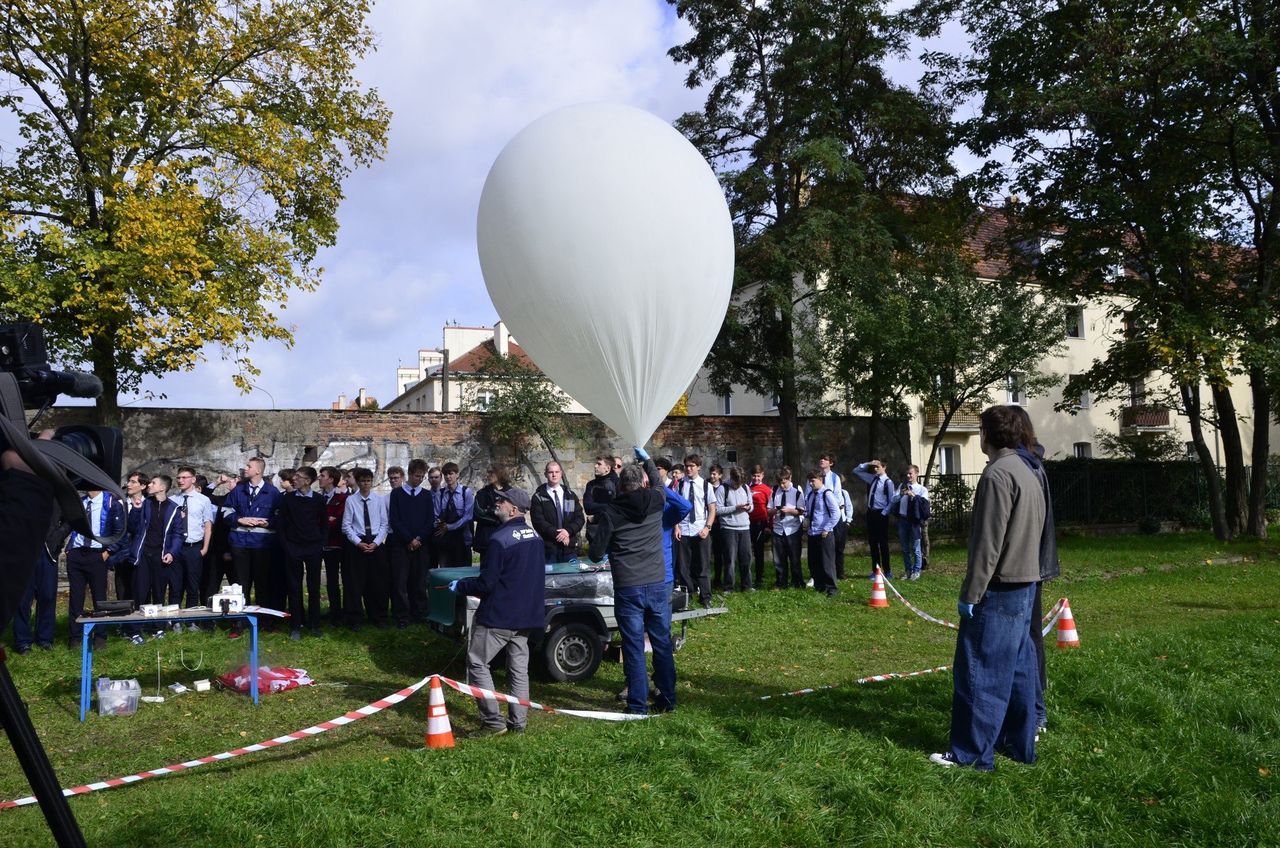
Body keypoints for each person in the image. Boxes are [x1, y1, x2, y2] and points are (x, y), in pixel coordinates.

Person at [931, 406, 1043, 771]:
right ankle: (1017, 744)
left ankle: (971, 753)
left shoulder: (998, 474)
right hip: (1026, 583)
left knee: (979, 670)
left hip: (999, 587)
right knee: (1019, 669)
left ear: (988, 435)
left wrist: (970, 593)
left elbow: (987, 544)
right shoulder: (1031, 470)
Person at [450, 487, 544, 735]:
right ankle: (519, 724)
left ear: (513, 509)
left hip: (499, 616)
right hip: (526, 617)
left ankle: (492, 722)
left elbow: (486, 584)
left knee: (477, 663)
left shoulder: (499, 540)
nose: (497, 503)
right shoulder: (535, 537)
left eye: (502, 501)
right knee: (519, 670)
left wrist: (460, 585)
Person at [599, 449, 676, 715]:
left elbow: (597, 552)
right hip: (656, 582)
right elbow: (658, 483)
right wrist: (647, 459)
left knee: (633, 646)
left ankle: (637, 705)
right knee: (661, 642)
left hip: (628, 585)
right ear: (642, 482)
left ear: (620, 485)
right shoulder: (655, 500)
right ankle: (667, 699)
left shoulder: (610, 512)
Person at [1008, 405, 1060, 736]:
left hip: (1029, 566)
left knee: (1027, 638)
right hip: (1029, 564)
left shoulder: (1030, 467)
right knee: (1026, 637)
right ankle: (1028, 705)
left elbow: (1033, 522)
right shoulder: (1027, 464)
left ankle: (1036, 710)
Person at [62, 487, 127, 645]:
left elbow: (120, 532)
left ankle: (100, 637)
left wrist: (108, 552)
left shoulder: (111, 503)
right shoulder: (81, 503)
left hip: (97, 555)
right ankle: (75, 638)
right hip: (77, 554)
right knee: (76, 598)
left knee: (100, 598)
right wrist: (69, 550)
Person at [222, 457, 282, 611]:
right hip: (239, 543)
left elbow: (281, 516)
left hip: (262, 544)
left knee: (263, 583)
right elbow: (225, 511)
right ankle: (240, 621)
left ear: (258, 471)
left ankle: (265, 620)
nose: (245, 469)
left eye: (249, 466)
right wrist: (239, 520)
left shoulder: (273, 493)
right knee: (240, 584)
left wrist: (269, 523)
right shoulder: (238, 491)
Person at [130, 476, 185, 637]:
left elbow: (178, 534)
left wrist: (171, 552)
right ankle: (135, 630)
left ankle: (157, 628)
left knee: (159, 593)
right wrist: (136, 509)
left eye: (153, 483)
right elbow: (133, 528)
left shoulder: (174, 508)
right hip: (143, 555)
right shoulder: (145, 503)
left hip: (161, 556)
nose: (150, 485)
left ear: (162, 488)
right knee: (140, 592)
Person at [277, 466, 327, 638]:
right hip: (293, 548)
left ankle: (315, 625)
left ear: (307, 481)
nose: (294, 479)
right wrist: (286, 546)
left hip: (313, 548)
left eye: (298, 477)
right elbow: (281, 524)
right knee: (294, 587)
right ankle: (296, 625)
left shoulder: (319, 500)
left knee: (314, 587)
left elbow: (324, 523)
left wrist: (320, 544)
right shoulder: (288, 499)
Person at [387, 458, 434, 627]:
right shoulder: (397, 494)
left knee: (419, 581)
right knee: (401, 582)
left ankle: (419, 613)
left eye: (422, 477)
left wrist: (419, 539)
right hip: (401, 545)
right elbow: (395, 519)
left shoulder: (426, 495)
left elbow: (430, 521)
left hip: (421, 546)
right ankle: (402, 616)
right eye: (416, 476)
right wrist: (409, 539)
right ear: (409, 474)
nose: (419, 479)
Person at [342, 467, 389, 629]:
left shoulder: (379, 500)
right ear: (358, 482)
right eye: (363, 481)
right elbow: (346, 526)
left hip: (376, 543)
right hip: (358, 543)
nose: (366, 484)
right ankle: (355, 618)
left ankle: (378, 616)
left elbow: (384, 524)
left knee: (378, 583)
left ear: (372, 482)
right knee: (355, 583)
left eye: (368, 481)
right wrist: (358, 542)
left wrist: (376, 542)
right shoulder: (351, 501)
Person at [172, 466, 215, 614]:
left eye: (184, 477)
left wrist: (205, 548)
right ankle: (174, 619)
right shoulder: (173, 499)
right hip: (176, 547)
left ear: (193, 479)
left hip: (193, 546)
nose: (180, 481)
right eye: (178, 478)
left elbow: (208, 525)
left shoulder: (203, 500)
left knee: (193, 585)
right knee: (175, 585)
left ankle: (191, 618)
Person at [675, 455, 716, 607]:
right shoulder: (680, 485)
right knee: (684, 566)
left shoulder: (706, 486)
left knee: (703, 565)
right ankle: (689, 594)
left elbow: (712, 509)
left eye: (692, 466)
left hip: (700, 529)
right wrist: (676, 526)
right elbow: (676, 508)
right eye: (686, 466)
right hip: (684, 529)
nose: (688, 468)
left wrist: (707, 527)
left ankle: (705, 597)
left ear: (699, 467)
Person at [530, 460, 585, 563]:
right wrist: (559, 535)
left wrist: (568, 531)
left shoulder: (569, 495)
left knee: (572, 578)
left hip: (569, 548)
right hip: (549, 549)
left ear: (561, 473)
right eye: (551, 472)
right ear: (546, 474)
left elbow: (579, 518)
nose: (554, 475)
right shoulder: (539, 496)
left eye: (557, 472)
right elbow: (539, 522)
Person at [885, 465, 930, 580]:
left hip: (914, 521)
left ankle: (917, 571)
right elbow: (893, 500)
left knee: (916, 547)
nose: (909, 476)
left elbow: (924, 504)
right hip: (903, 520)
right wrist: (901, 494)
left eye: (911, 473)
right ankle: (908, 570)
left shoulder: (921, 489)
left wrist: (913, 495)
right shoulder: (902, 486)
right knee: (905, 548)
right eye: (907, 474)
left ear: (916, 474)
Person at [852, 460, 895, 578]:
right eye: (874, 467)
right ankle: (876, 570)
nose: (875, 469)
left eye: (877, 467)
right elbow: (856, 471)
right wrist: (868, 463)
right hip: (871, 513)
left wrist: (884, 513)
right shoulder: (873, 479)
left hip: (881, 514)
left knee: (883, 543)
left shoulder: (888, 482)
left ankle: (887, 571)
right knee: (873, 543)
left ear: (884, 467)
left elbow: (891, 500)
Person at [317, 466, 348, 625]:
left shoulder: (342, 498)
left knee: (335, 580)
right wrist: (326, 520)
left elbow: (339, 521)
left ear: (331, 479)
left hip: (336, 545)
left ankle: (338, 613)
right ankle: (330, 611)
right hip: (320, 544)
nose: (319, 478)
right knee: (327, 581)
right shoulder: (318, 498)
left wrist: (325, 520)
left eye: (322, 475)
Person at [804, 471, 840, 596]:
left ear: (820, 480)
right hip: (812, 532)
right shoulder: (810, 495)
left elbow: (836, 513)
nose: (811, 483)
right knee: (813, 562)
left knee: (827, 563)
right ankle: (819, 587)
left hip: (824, 534)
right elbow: (809, 512)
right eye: (809, 481)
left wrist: (827, 528)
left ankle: (832, 589)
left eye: (813, 480)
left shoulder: (827, 494)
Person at [769, 467, 804, 589]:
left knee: (794, 559)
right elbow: (768, 511)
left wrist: (789, 510)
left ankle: (797, 582)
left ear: (790, 479)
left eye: (784, 482)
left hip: (792, 529)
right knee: (778, 559)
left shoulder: (797, 492)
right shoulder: (774, 491)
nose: (782, 486)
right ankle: (781, 583)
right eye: (779, 483)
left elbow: (801, 511)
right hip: (778, 529)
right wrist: (775, 510)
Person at [719, 467, 753, 592]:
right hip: (729, 528)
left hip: (745, 527)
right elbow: (717, 510)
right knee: (730, 559)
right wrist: (735, 508)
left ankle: (747, 585)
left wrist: (748, 508)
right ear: (731, 478)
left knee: (746, 558)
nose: (738, 485)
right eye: (736, 483)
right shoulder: (723, 489)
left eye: (741, 483)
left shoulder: (745, 488)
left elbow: (751, 505)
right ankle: (729, 586)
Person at [433, 462, 473, 566]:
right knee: (445, 571)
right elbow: (436, 514)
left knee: (464, 572)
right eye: (445, 474)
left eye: (451, 474)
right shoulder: (440, 493)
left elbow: (468, 516)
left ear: (457, 475)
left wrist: (450, 527)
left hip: (462, 538)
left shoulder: (466, 492)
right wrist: (438, 524)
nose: (448, 477)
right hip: (445, 539)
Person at [582, 456, 618, 555]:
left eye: (599, 464)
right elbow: (588, 507)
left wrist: (596, 515)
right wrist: (608, 506)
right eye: (596, 463)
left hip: (613, 534)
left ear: (607, 468)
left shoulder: (617, 484)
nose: (595, 466)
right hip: (595, 534)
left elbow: (618, 508)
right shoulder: (591, 485)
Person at [471, 467, 508, 559]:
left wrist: (488, 510)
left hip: (506, 538)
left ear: (499, 474)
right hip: (486, 539)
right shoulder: (482, 493)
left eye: (491, 473)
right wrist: (497, 519)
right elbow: (477, 513)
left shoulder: (510, 492)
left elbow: (511, 513)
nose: (488, 476)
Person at [748, 465, 772, 588]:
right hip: (747, 524)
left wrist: (769, 526)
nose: (756, 478)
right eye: (754, 476)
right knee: (746, 552)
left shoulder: (767, 490)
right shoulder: (747, 488)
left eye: (758, 476)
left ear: (762, 475)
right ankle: (747, 578)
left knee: (758, 552)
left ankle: (759, 578)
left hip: (761, 524)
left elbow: (770, 509)